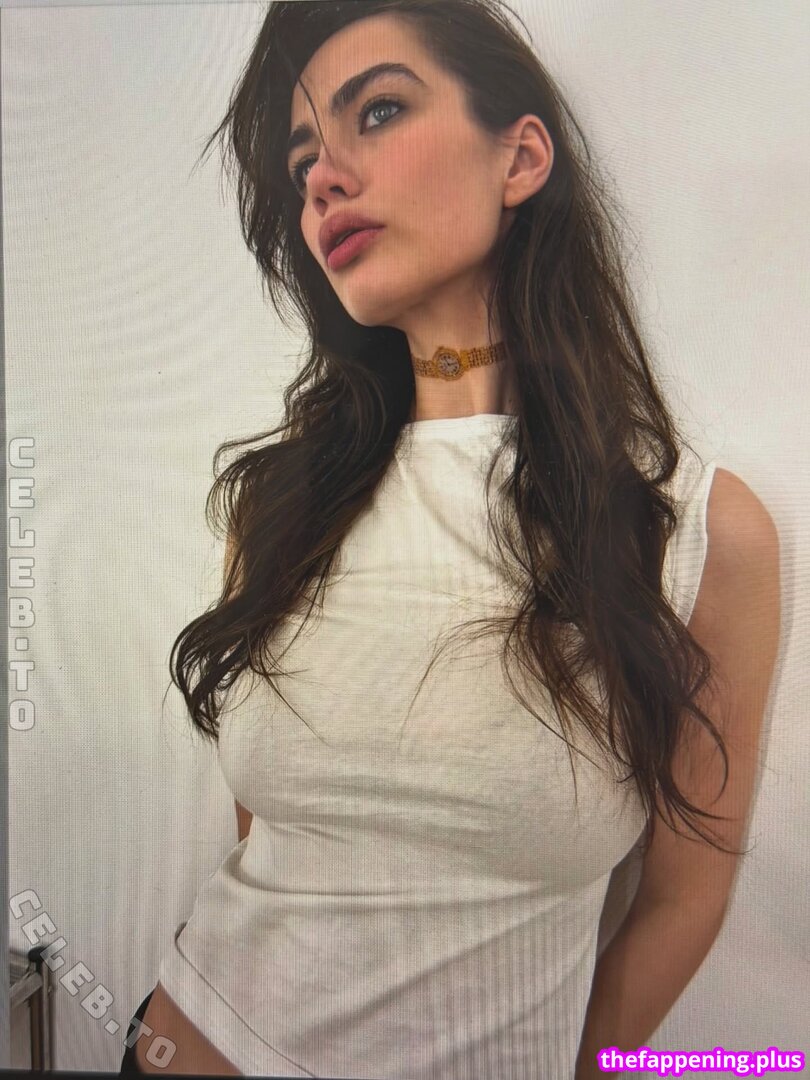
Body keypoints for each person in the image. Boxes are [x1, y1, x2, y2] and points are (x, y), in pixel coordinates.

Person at [121, 1, 781, 1075]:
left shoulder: (696, 535)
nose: (322, 181)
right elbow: (280, 855)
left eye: (377, 111)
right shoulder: (279, 507)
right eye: (302, 162)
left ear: (519, 158)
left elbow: (684, 897)